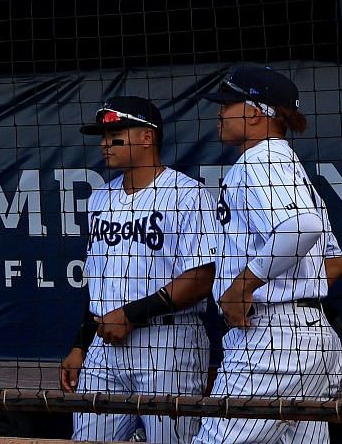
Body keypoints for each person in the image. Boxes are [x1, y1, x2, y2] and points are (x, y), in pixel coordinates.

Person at [193, 66, 342, 444]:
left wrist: (241, 288)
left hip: (272, 343)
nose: (220, 112)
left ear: (255, 112)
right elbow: (334, 262)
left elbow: (303, 228)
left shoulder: (261, 161)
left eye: (228, 104)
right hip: (311, 338)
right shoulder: (293, 169)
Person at [60, 97, 217, 444]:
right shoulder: (100, 198)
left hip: (168, 342)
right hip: (104, 345)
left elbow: (202, 278)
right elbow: (103, 283)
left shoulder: (188, 194)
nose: (105, 143)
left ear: (147, 137)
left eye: (116, 134)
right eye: (103, 135)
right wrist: (80, 345)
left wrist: (132, 314)